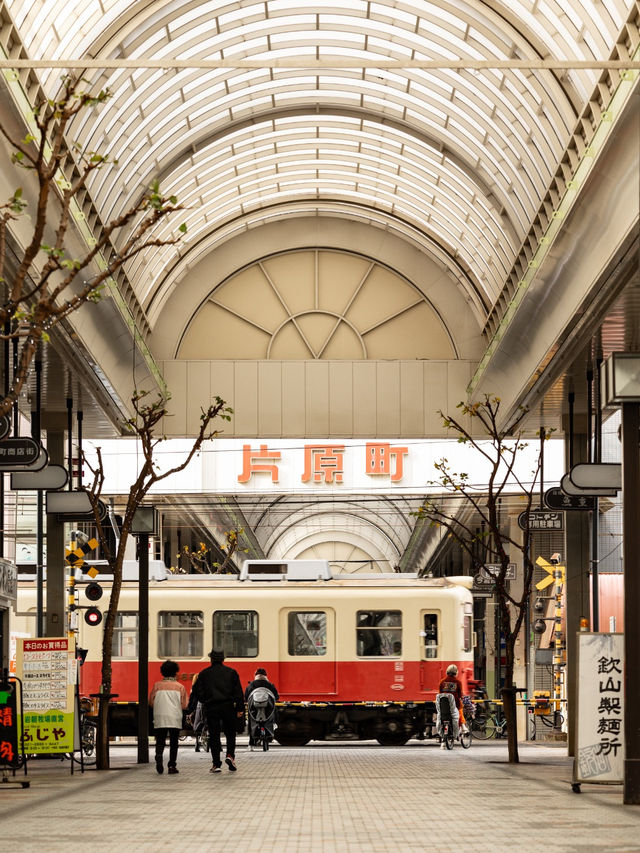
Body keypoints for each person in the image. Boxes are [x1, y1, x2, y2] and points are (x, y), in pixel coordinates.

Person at [189, 649, 244, 773]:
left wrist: (205, 699)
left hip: (211, 707)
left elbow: (196, 691)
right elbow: (238, 692)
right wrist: (240, 708)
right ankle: (230, 756)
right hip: (228, 706)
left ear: (211, 660)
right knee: (230, 733)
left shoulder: (204, 674)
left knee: (214, 735)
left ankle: (216, 764)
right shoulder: (231, 672)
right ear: (223, 659)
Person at [149, 660, 188, 775]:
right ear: (176, 672)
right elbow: (185, 705)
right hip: (174, 717)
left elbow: (151, 702)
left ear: (162, 672)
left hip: (160, 717)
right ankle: (171, 765)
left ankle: (159, 755)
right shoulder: (180, 687)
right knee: (174, 742)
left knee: (160, 740)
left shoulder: (157, 685)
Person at [244, 667, 279, 751]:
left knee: (251, 719)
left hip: (254, 709)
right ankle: (274, 725)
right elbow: (276, 697)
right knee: (274, 710)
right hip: (267, 709)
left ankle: (251, 744)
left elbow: (246, 698)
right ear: (265, 676)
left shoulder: (251, 685)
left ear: (255, 675)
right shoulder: (270, 685)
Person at [438, 663, 468, 736]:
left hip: (444, 706)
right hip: (455, 705)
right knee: (460, 709)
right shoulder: (458, 682)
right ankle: (463, 726)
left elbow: (440, 694)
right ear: (456, 673)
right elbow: (460, 695)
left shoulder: (442, 682)